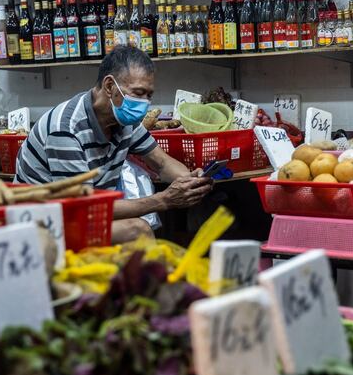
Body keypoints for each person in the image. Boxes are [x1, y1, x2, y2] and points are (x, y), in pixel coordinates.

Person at [15, 46, 213, 243]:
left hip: (81, 216)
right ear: (109, 86)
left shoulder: (125, 121)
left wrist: (191, 183)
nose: (144, 103)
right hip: (42, 226)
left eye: (148, 95)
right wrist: (163, 200)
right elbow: (85, 209)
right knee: (138, 230)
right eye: (138, 93)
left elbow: (161, 162)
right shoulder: (66, 130)